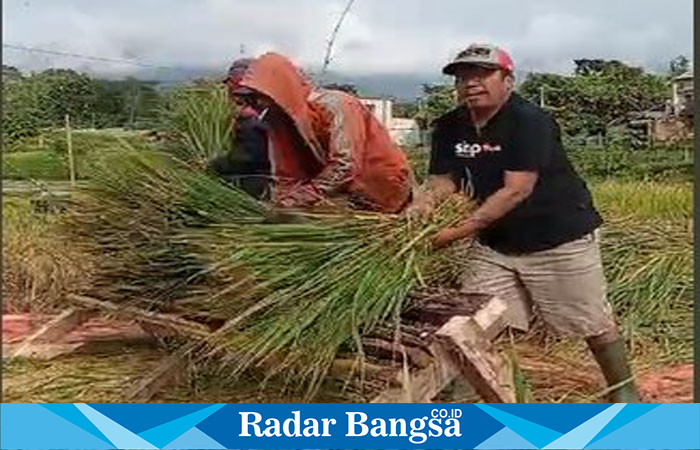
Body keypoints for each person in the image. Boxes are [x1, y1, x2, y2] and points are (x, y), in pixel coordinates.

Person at [408, 43, 639, 402]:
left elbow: (516, 191)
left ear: (508, 81)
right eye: (463, 77)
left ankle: (624, 392)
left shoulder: (530, 122)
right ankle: (486, 398)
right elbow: (443, 179)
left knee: (588, 320)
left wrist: (454, 233)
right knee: (482, 322)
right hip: (494, 243)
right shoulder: (449, 126)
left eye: (483, 74)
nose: (471, 83)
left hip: (556, 238)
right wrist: (421, 207)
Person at [234, 53, 411, 212]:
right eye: (251, 97)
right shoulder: (278, 119)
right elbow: (285, 174)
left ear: (280, 88)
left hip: (380, 184)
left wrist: (300, 199)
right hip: (340, 193)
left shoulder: (336, 106)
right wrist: (281, 205)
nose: (257, 103)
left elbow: (345, 164)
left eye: (260, 95)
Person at [209, 58, 271, 199]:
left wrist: (216, 163)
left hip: (260, 185)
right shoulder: (257, 116)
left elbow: (246, 161)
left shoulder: (254, 121)